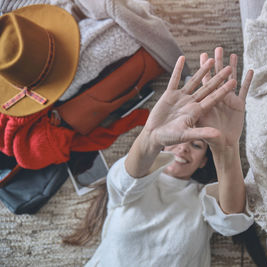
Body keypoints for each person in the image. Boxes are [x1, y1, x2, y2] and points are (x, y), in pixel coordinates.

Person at [64, 47, 255, 266]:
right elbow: (126, 178)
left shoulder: (202, 199)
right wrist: (151, 136)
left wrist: (227, 149)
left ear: (203, 161)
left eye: (196, 145)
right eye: (178, 140)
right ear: (165, 146)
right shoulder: (130, 187)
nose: (183, 149)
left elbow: (234, 222)